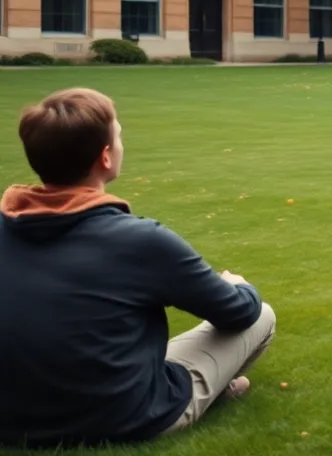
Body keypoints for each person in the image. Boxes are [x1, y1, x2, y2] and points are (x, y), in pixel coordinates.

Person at [0, 88, 276, 449]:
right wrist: (241, 286)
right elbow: (237, 313)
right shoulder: (141, 240)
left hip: (12, 417)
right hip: (122, 416)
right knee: (261, 316)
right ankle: (207, 394)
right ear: (105, 157)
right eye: (118, 135)